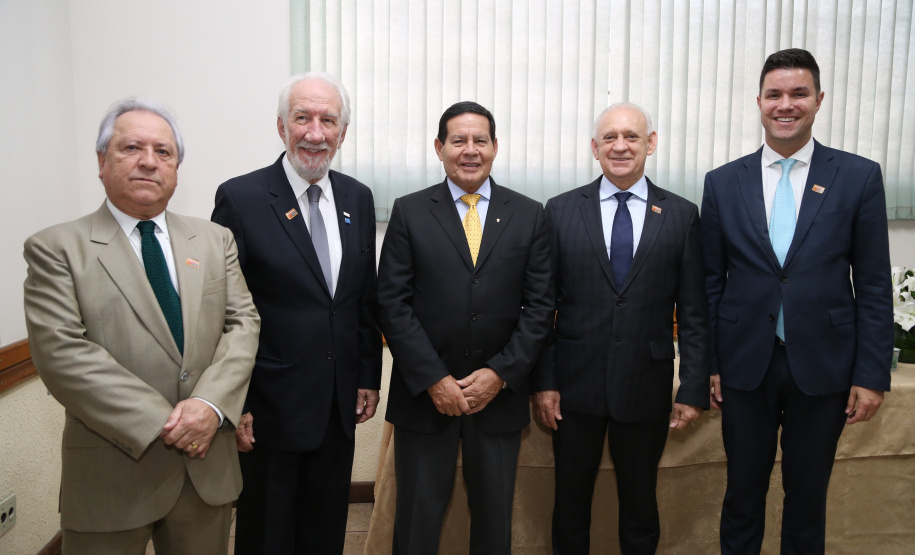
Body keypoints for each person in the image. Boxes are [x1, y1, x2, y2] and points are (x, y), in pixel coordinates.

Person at [23, 97, 260, 554]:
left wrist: (209, 406)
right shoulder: (57, 248)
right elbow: (62, 353)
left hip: (206, 472)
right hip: (112, 477)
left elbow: (243, 324)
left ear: (176, 168)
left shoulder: (215, 240)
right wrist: (170, 424)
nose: (149, 162)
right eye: (131, 147)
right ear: (102, 161)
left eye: (163, 152)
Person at [701, 48, 893, 554]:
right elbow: (710, 283)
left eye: (798, 93)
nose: (785, 104)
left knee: (807, 501)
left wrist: (871, 374)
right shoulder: (723, 182)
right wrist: (712, 364)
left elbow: (874, 284)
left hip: (825, 366)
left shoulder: (858, 176)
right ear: (759, 102)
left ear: (818, 100)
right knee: (742, 496)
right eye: (774, 94)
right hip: (744, 365)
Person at [211, 72, 382, 554]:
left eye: (328, 120)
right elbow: (221, 311)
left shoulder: (358, 198)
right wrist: (236, 402)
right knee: (268, 535)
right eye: (303, 118)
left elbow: (362, 297)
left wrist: (367, 375)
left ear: (343, 132)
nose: (315, 132)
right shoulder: (241, 198)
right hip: (269, 408)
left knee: (324, 531)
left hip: (338, 405)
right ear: (281, 126)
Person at [531, 103, 709, 554]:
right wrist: (544, 382)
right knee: (570, 504)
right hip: (574, 387)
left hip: (646, 384)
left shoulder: (682, 214)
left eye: (632, 136)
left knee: (640, 505)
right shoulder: (560, 211)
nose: (621, 146)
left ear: (651, 143)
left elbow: (694, 312)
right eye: (609, 137)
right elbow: (541, 306)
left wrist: (692, 387)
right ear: (595, 148)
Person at [378, 101, 553, 554]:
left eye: (480, 140)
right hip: (424, 398)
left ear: (495, 147)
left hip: (498, 399)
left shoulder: (529, 214)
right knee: (416, 525)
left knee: (494, 525)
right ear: (439, 148)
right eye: (458, 140)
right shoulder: (409, 211)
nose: (470, 150)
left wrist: (500, 374)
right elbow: (392, 303)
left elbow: (539, 306)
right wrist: (433, 379)